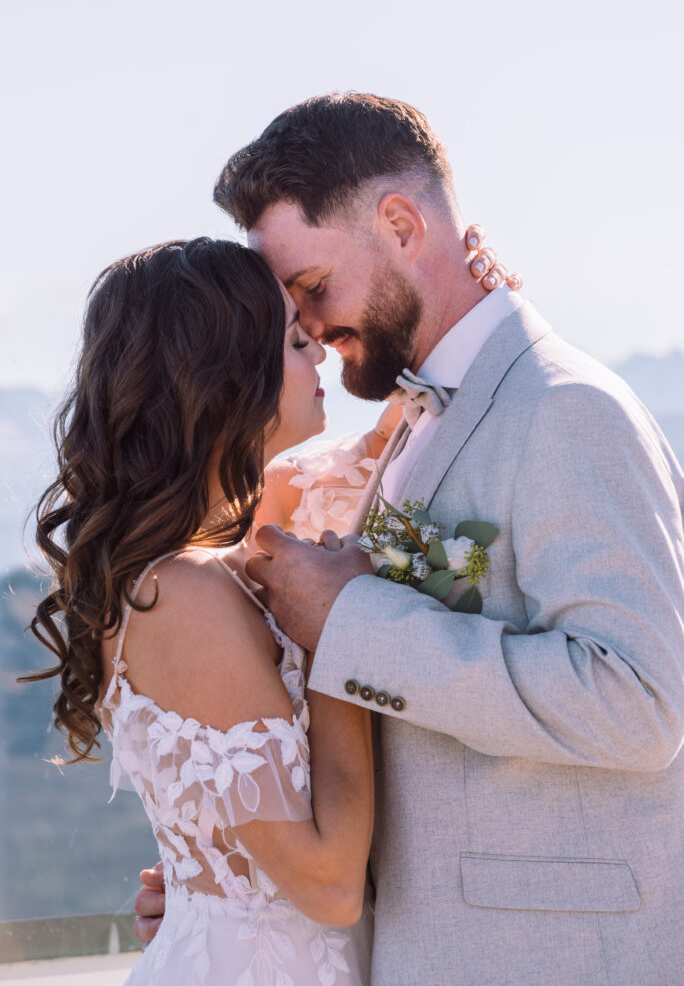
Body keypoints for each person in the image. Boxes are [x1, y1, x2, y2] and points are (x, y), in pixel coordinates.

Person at [137, 94, 684, 986]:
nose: (310, 330)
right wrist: (235, 884)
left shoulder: (567, 410)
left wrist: (353, 621)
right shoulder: (411, 426)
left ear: (400, 225)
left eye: (313, 288)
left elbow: (640, 703)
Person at [24, 238, 378, 986]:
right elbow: (329, 887)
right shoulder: (180, 593)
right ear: (224, 382)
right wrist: (341, 628)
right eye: (294, 341)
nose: (319, 351)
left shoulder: (206, 568)